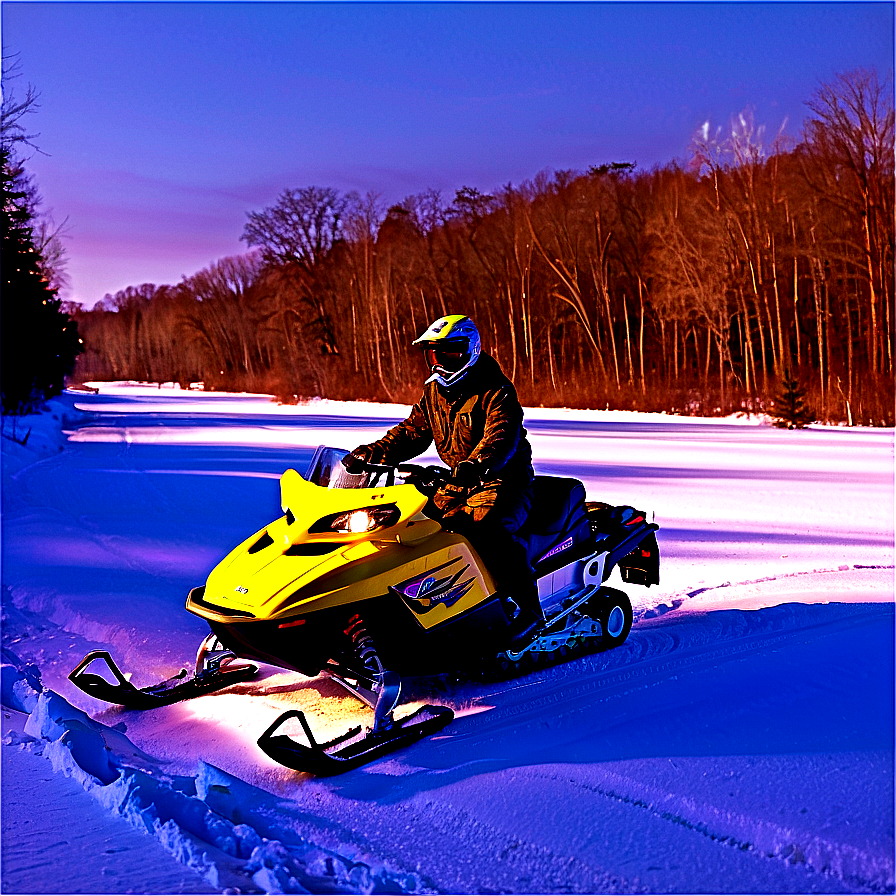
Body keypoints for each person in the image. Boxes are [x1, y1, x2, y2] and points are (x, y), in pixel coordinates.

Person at [343, 314, 543, 648]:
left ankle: (527, 611)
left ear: (470, 350)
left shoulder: (496, 390)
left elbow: (501, 437)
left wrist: (478, 464)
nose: (440, 363)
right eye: (434, 355)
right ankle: (420, 605)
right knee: (415, 527)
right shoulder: (435, 392)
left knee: (487, 529)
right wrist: (372, 454)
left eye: (450, 353)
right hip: (458, 479)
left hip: (501, 480)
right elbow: (412, 432)